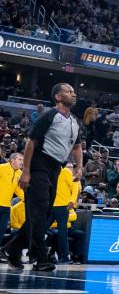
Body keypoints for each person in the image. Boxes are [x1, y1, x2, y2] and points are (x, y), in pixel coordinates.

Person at [3, 83, 82, 272]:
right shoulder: (49, 116)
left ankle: (12, 249)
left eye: (73, 92)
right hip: (39, 165)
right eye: (69, 92)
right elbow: (31, 142)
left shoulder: (74, 120)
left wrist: (79, 167)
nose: (74, 94)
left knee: (43, 215)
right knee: (39, 212)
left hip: (56, 168)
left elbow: (77, 146)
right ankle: (39, 258)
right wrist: (26, 171)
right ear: (58, 97)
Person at [0, 153, 24, 240]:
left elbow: (18, 189)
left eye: (23, 160)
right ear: (13, 160)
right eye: (20, 160)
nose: (22, 162)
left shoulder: (20, 173)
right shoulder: (2, 168)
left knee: (2, 230)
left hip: (7, 207)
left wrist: (26, 199)